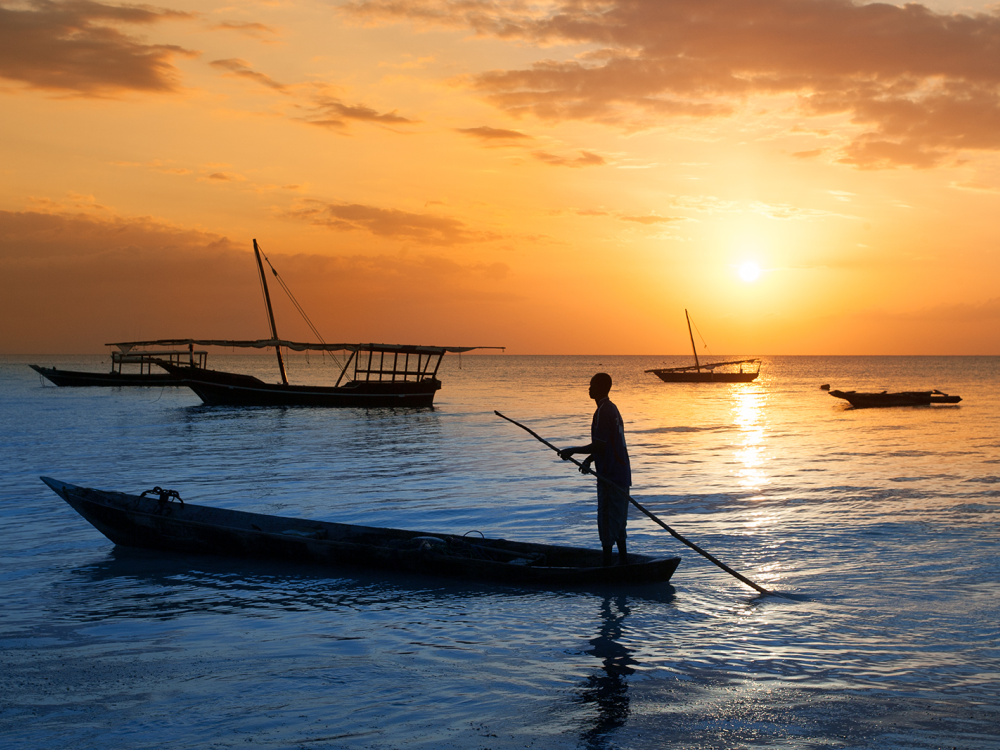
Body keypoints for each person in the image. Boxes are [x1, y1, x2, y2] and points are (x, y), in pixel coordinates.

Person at [558, 373, 632, 566]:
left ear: (601, 387)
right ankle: (624, 561)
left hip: (611, 476)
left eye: (592, 385)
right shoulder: (612, 409)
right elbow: (606, 445)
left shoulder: (602, 412)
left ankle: (607, 566)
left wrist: (572, 451)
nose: (589, 389)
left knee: (607, 520)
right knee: (619, 519)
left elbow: (599, 445)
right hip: (622, 474)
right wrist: (590, 460)